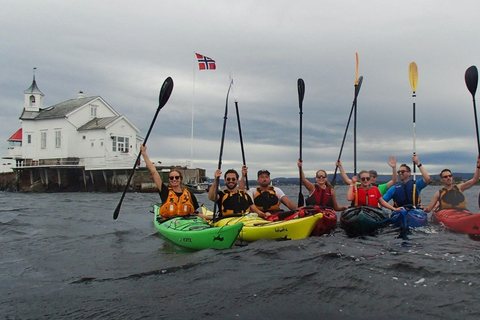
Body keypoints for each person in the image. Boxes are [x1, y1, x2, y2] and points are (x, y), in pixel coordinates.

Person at [141, 146, 206, 220]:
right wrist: (144, 154)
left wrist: (211, 218)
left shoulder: (189, 194)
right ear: (169, 180)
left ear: (180, 179)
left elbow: (196, 213)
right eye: (171, 178)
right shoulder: (165, 192)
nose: (174, 179)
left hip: (186, 223)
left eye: (177, 177)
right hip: (169, 223)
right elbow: (153, 171)